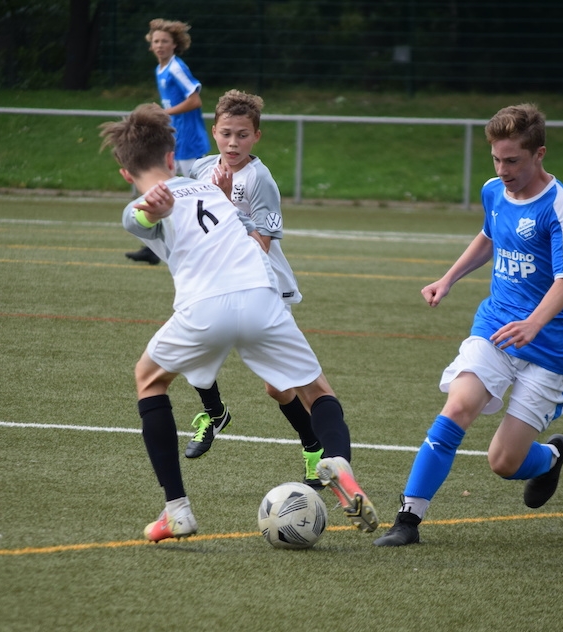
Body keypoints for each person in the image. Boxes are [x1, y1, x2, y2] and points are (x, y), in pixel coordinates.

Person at [99, 103, 378, 542]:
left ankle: (176, 510)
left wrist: (150, 210)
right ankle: (338, 461)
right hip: (261, 297)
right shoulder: (211, 188)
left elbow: (140, 216)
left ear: (125, 174)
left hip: (205, 306)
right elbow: (230, 230)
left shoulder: (143, 202)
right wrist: (207, 201)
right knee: (317, 391)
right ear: (172, 158)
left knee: (149, 380)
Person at [374, 103, 563, 547]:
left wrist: (533, 324)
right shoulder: (494, 191)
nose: (502, 170)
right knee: (458, 407)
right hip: (496, 326)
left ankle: (550, 458)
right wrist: (448, 278)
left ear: (539, 154)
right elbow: (489, 236)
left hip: (553, 346)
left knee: (503, 462)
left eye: (512, 160)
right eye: (496, 159)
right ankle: (408, 518)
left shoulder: (560, 207)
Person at [179, 89, 324, 490]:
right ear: (214, 131)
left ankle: (314, 448)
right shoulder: (201, 168)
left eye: (242, 135)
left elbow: (262, 244)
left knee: (278, 387)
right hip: (217, 281)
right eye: (226, 134)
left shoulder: (260, 180)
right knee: (190, 342)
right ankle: (215, 413)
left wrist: (225, 205)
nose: (233, 143)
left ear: (256, 136)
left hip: (261, 284)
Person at [125, 18, 210, 267]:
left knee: (199, 192)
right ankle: (155, 248)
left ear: (175, 45)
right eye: (156, 41)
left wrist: (164, 113)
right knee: (166, 189)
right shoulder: (160, 69)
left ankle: (211, 239)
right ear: (150, 45)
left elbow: (195, 100)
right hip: (175, 140)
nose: (160, 45)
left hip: (190, 140)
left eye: (164, 41)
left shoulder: (176, 68)